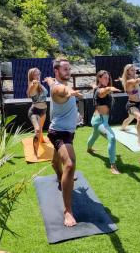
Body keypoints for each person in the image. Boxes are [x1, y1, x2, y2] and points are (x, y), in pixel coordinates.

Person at [44, 57, 83, 227]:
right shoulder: (58, 89)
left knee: (57, 161)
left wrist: (49, 80)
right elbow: (60, 91)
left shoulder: (54, 82)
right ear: (57, 71)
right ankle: (68, 211)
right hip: (60, 133)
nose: (69, 72)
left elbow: (53, 82)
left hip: (67, 131)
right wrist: (69, 92)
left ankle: (57, 171)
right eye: (65, 69)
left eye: (69, 69)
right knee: (69, 164)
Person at [87, 70, 121, 174]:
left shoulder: (96, 88)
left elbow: (94, 86)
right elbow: (102, 92)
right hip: (99, 121)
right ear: (99, 78)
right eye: (104, 78)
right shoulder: (100, 91)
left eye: (108, 77)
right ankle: (113, 166)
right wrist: (109, 88)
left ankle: (89, 149)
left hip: (100, 119)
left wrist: (92, 85)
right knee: (112, 138)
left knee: (94, 136)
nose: (107, 79)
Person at [120, 64, 140, 146]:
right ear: (128, 72)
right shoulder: (129, 81)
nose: (134, 71)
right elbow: (135, 82)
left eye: (134, 69)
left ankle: (122, 127)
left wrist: (119, 79)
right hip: (131, 105)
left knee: (130, 118)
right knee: (139, 117)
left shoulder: (131, 79)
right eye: (132, 70)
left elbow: (132, 80)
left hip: (138, 104)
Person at [26, 68, 48, 160]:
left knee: (41, 127)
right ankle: (35, 153)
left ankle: (41, 139)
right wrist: (34, 84)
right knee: (38, 130)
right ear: (31, 76)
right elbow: (30, 92)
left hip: (43, 111)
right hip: (35, 112)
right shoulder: (33, 84)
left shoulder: (40, 84)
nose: (38, 75)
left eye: (39, 73)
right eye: (35, 74)